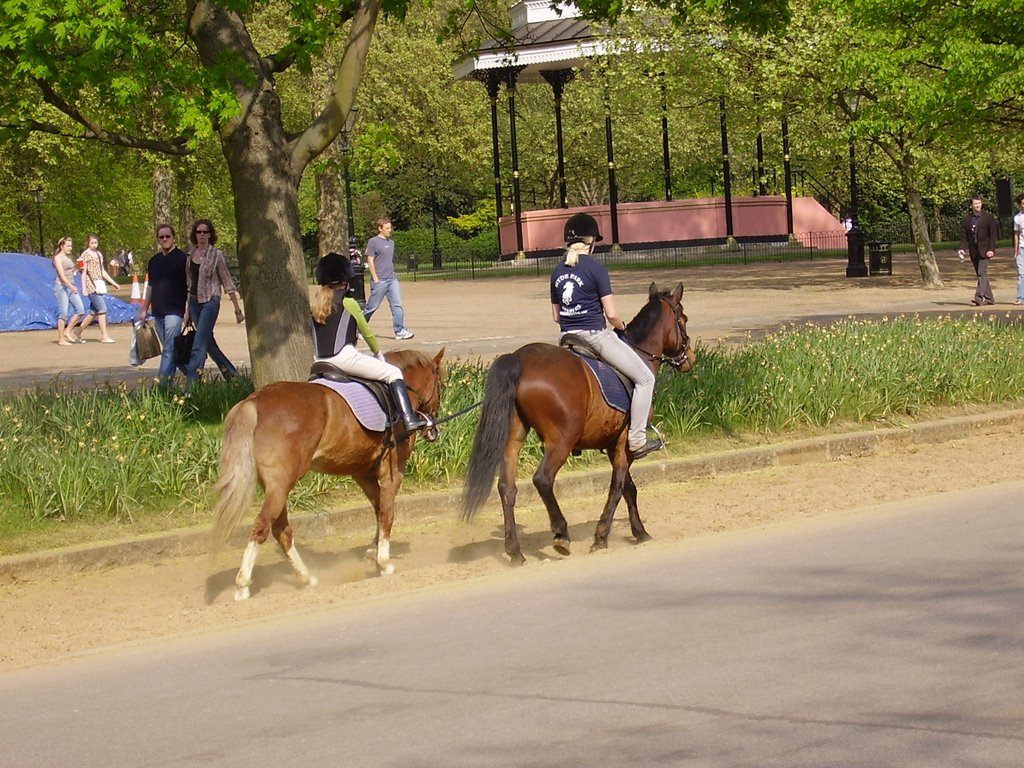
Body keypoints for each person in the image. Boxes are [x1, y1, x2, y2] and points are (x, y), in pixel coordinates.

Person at [550, 212, 662, 459]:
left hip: (566, 340)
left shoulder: (557, 271)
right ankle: (637, 439)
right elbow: (611, 314)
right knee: (645, 379)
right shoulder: (596, 269)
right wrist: (622, 326)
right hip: (594, 337)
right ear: (591, 243)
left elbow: (556, 316)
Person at [312, 252, 429, 433]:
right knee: (393, 373)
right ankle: (409, 419)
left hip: (319, 361)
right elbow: (367, 332)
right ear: (346, 280)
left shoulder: (316, 304)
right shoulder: (349, 302)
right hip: (343, 358)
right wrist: (377, 353)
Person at [140, 224, 239, 385]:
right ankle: (225, 376)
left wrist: (188, 312)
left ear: (173, 238)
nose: (165, 239)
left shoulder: (185, 258)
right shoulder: (158, 260)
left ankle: (168, 387)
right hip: (166, 309)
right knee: (183, 349)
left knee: (175, 350)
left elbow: (197, 284)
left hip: (184, 308)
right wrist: (144, 308)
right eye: (161, 237)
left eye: (168, 236)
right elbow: (151, 285)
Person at [183, 219, 245, 385]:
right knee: (208, 344)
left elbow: (227, 282)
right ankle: (234, 377)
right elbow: (189, 284)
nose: (201, 235)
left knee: (198, 345)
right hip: (194, 303)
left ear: (210, 234)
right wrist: (188, 311)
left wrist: (237, 309)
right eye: (198, 232)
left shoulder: (216, 255)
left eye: (205, 232)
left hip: (210, 301)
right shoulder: (190, 255)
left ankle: (192, 386)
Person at [363, 217, 414, 340]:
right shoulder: (373, 242)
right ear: (380, 228)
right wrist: (375, 277)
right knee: (372, 307)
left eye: (390, 227)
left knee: (397, 305)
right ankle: (357, 328)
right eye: (387, 228)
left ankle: (399, 330)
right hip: (379, 280)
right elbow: (370, 260)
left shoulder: (391, 242)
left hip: (392, 279)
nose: (389, 230)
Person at [74, 233, 120, 343]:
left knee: (93, 312)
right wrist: (84, 287)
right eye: (92, 243)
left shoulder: (99, 254)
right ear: (88, 243)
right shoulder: (85, 255)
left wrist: (113, 282)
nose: (94, 245)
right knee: (102, 309)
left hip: (99, 285)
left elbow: (102, 271)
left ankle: (78, 331)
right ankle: (104, 335)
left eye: (96, 242)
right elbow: (83, 272)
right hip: (91, 286)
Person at [958, 195, 998, 306]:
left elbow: (993, 235)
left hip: (985, 250)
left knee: (982, 273)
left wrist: (991, 249)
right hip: (974, 251)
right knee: (981, 275)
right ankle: (990, 299)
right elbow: (964, 236)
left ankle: (978, 297)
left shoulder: (988, 217)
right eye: (975, 203)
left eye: (979, 203)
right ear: (971, 205)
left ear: (982, 203)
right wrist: (962, 248)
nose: (977, 205)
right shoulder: (967, 219)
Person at [51, 236, 85, 346]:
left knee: (80, 310)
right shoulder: (58, 258)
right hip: (62, 287)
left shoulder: (69, 258)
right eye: (68, 246)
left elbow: (72, 273)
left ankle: (67, 330)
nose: (70, 248)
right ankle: (61, 339)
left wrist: (78, 269)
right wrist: (71, 286)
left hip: (71, 286)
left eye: (71, 245)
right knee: (63, 313)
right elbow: (61, 275)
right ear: (62, 246)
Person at [1012, 194, 1024, 306]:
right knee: (1021, 274)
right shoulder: (1017, 218)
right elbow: (1016, 234)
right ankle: (1020, 297)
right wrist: (1016, 250)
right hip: (1022, 248)